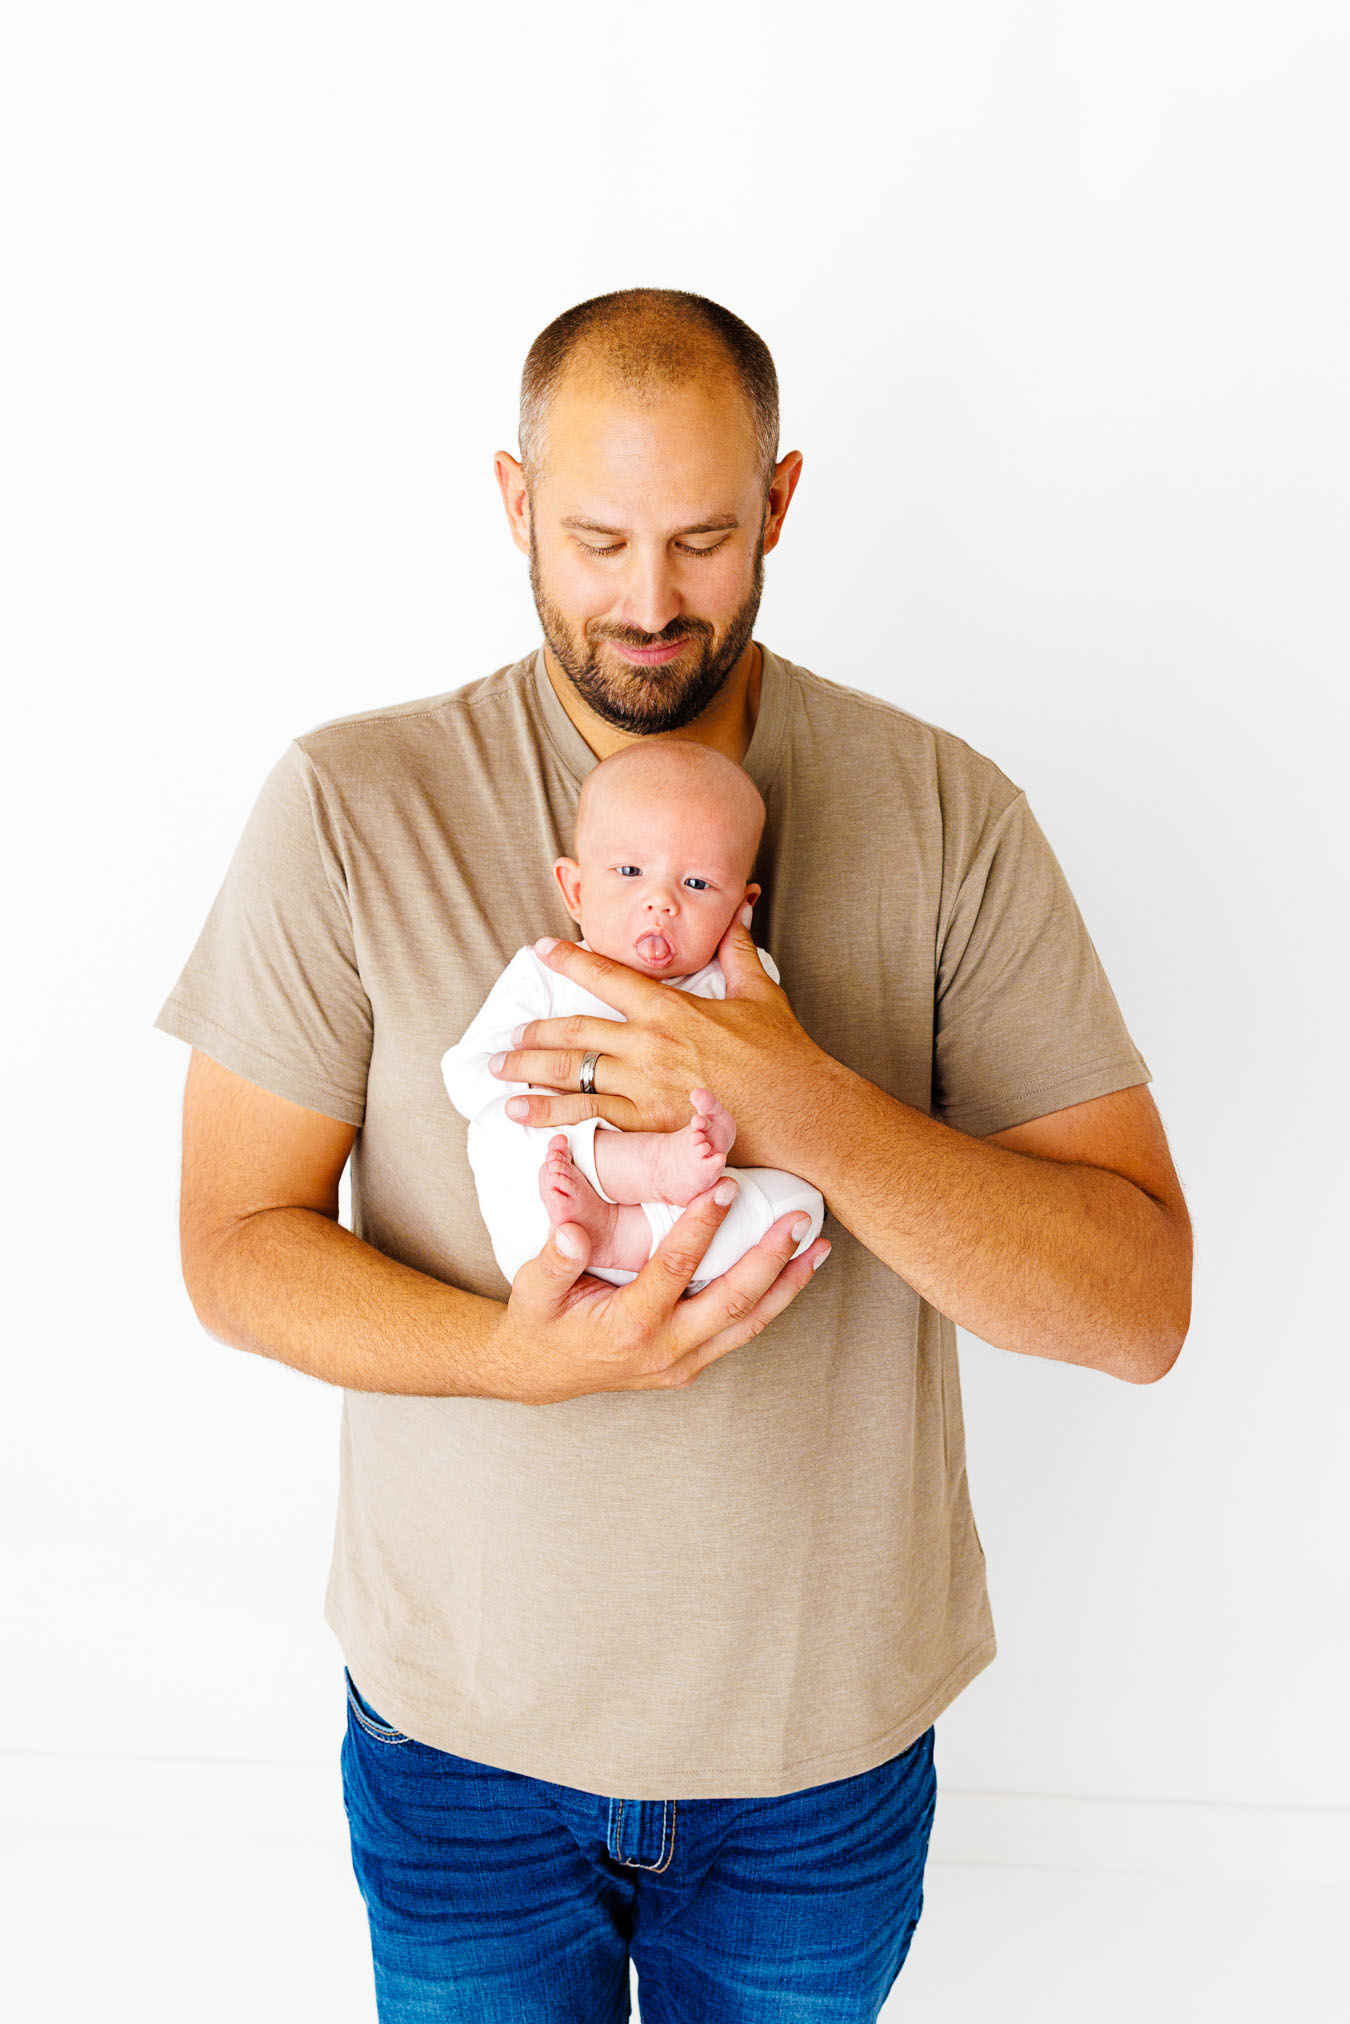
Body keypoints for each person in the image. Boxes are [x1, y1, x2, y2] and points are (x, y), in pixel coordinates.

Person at [155, 286, 1192, 2022]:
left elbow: (1136, 1305)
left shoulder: (948, 813)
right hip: (460, 1744)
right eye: (597, 538)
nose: (649, 602)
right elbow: (231, 1242)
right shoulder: (355, 801)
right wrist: (506, 1356)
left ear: (781, 505)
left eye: (707, 538)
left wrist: (794, 1095)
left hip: (819, 1763)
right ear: (511, 503)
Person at [441, 738, 826, 1293]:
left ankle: (626, 1233)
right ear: (575, 890)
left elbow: (775, 1087)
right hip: (558, 1211)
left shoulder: (743, 981)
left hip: (672, 1236)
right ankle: (636, 1180)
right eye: (629, 870)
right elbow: (467, 1073)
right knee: (499, 1126)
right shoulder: (549, 970)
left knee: (800, 1205)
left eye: (697, 884)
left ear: (742, 906)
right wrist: (557, 1105)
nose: (661, 901)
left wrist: (723, 1124)